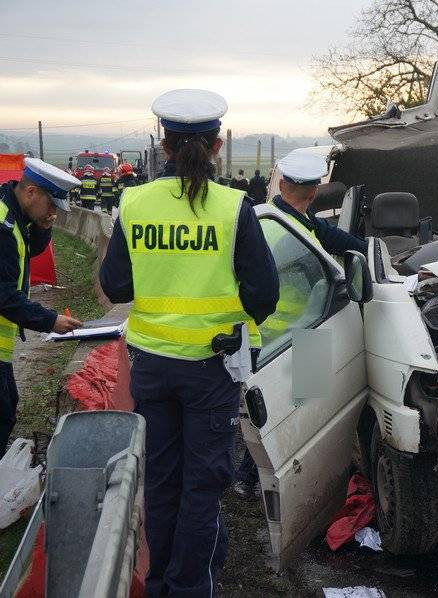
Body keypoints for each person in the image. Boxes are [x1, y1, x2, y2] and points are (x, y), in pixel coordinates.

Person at [99, 89, 279, 597]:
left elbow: (116, 288)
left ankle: (160, 585)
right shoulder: (234, 206)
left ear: (164, 142)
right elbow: (264, 294)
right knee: (202, 487)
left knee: (161, 482)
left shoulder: (133, 202)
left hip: (152, 366)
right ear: (217, 145)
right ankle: (189, 588)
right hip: (212, 369)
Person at [232, 150, 365, 500]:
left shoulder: (292, 220)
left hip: (298, 328)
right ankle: (256, 477)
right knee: (291, 411)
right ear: (315, 189)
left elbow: (344, 243)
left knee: (290, 410)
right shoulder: (283, 229)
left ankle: (262, 475)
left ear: (283, 183)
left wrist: (375, 253)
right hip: (291, 330)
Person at [1, 159, 83, 455]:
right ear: (32, 191)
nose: (53, 213)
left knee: (7, 406)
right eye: (51, 206)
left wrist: (44, 226)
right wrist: (50, 321)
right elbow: (4, 295)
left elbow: (29, 249)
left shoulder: (13, 213)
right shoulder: (2, 224)